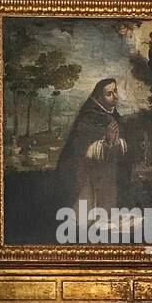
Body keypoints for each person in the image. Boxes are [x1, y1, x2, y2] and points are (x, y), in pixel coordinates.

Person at [54, 77, 131, 214]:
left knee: (107, 214)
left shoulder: (114, 116)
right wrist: (107, 142)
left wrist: (115, 142)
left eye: (115, 91)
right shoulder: (88, 118)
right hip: (87, 175)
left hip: (108, 174)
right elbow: (81, 150)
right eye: (109, 94)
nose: (115, 97)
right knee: (87, 217)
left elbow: (123, 145)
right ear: (99, 99)